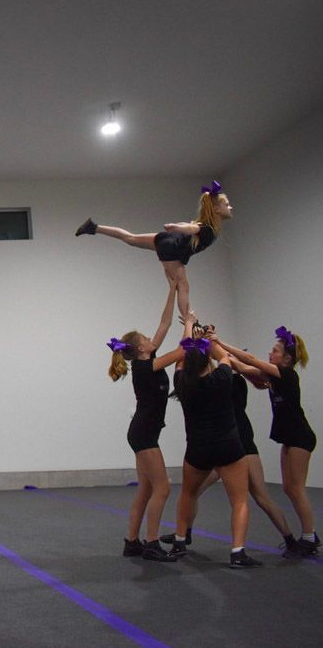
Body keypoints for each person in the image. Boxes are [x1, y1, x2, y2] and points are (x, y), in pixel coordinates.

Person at [213, 326, 317, 556]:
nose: (271, 353)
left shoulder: (287, 374)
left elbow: (249, 359)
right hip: (289, 437)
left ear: (287, 358)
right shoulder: (272, 375)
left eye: (275, 350)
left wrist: (219, 340)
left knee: (297, 489)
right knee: (289, 489)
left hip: (300, 436)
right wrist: (217, 350)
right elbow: (241, 366)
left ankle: (310, 537)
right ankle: (308, 536)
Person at [168, 316, 261, 568]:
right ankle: (238, 551)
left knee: (188, 493)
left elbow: (180, 355)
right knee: (239, 500)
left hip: (198, 448)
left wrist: (190, 329)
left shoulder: (182, 383)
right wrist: (210, 338)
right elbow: (224, 356)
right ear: (206, 359)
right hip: (228, 446)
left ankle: (179, 539)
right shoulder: (221, 378)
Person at [76, 181, 232, 319]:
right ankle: (189, 323)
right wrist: (176, 227)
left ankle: (94, 227)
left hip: (167, 240)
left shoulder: (207, 225)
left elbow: (190, 226)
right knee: (182, 286)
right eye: (227, 204)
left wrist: (176, 227)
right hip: (172, 249)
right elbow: (191, 228)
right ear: (217, 210)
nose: (230, 207)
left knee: (131, 238)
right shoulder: (208, 228)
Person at [106, 283, 181, 561]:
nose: (153, 338)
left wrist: (173, 290)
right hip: (144, 433)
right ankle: (151, 543)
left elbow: (165, 322)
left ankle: (132, 541)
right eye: (148, 338)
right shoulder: (146, 366)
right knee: (162, 487)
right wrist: (193, 329)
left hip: (142, 431)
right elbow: (184, 350)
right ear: (140, 348)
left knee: (147, 488)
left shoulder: (150, 358)